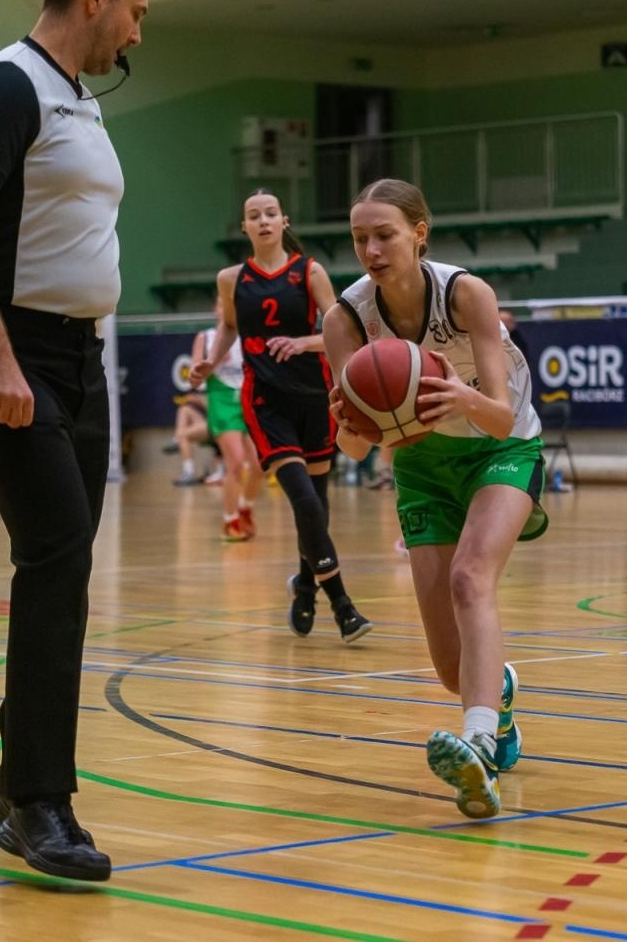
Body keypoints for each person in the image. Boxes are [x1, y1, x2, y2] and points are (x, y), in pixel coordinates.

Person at [0, 0, 147, 881]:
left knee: (65, 567)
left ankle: (18, 783)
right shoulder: (6, 86)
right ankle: (39, 804)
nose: (137, 32)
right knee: (56, 556)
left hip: (76, 358)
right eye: (135, 11)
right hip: (11, 354)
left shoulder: (79, 98)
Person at [324, 178, 547, 820]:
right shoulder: (345, 318)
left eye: (384, 235)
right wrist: (349, 420)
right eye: (360, 238)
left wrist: (460, 397)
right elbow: (354, 450)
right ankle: (496, 697)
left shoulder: (467, 293)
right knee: (451, 669)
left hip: (501, 448)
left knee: (470, 578)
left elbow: (499, 417)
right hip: (421, 464)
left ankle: (478, 746)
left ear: (419, 234)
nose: (371, 250)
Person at [190, 190, 372, 640]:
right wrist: (211, 360)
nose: (263, 220)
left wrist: (304, 342)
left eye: (271, 213)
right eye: (254, 215)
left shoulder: (309, 271)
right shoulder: (231, 279)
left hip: (314, 395)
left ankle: (306, 588)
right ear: (245, 228)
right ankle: (343, 606)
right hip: (265, 400)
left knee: (318, 503)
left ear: (283, 221)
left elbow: (341, 329)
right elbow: (229, 326)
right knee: (304, 500)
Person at [193, 322, 263, 538]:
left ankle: (245, 508)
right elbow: (194, 379)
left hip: (248, 397)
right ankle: (230, 520)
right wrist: (213, 362)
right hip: (222, 400)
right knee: (236, 462)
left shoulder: (250, 333)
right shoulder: (206, 337)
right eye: (222, 306)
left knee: (260, 465)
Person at [166, 388, 210, 485]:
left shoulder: (220, 385)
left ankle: (189, 473)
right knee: (184, 409)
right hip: (207, 421)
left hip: (218, 423)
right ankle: (177, 438)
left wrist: (199, 400)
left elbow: (216, 410)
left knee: (182, 435)